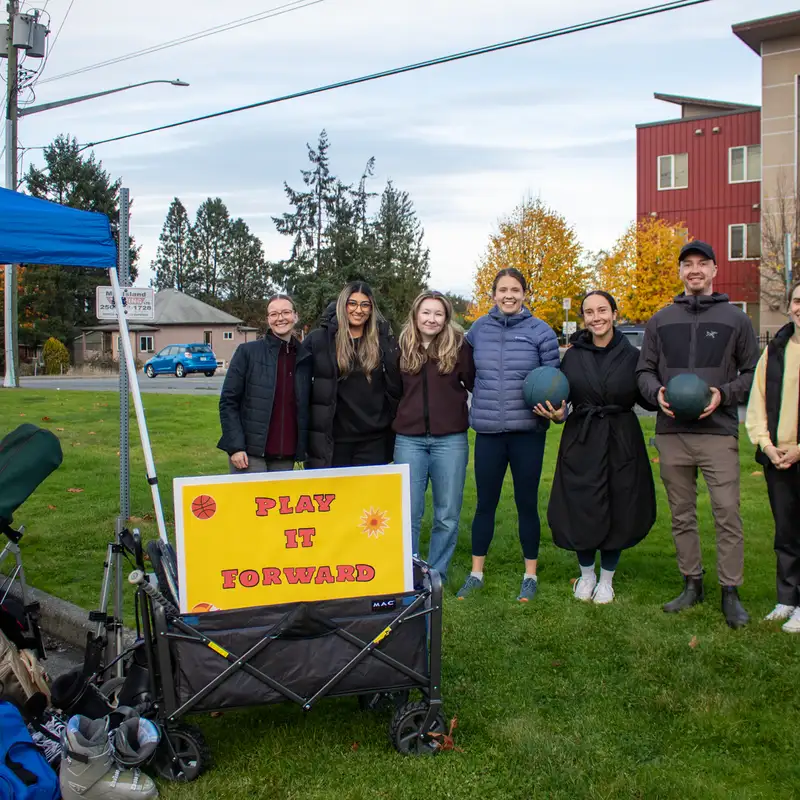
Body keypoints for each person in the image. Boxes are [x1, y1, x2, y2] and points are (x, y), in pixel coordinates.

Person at [636, 240, 760, 629]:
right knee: (682, 514)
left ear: (714, 270)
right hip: (673, 433)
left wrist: (724, 394)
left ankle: (731, 591)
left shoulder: (735, 319)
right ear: (680, 272)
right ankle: (692, 584)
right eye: (687, 264)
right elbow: (644, 372)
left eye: (702, 264)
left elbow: (752, 373)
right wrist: (655, 393)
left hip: (718, 432)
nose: (694, 270)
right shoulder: (660, 320)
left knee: (727, 512)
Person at [537, 291, 656, 603]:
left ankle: (607, 579)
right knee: (581, 505)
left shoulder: (633, 355)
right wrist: (559, 413)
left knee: (620, 504)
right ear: (584, 318)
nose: (596, 317)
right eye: (589, 312)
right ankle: (587, 575)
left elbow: (647, 396)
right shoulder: (574, 355)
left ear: (615, 314)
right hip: (583, 438)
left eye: (602, 310)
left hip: (621, 439)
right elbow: (563, 398)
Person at [456, 267, 560, 602]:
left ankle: (529, 575)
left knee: (526, 503)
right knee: (485, 504)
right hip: (488, 432)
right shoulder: (478, 331)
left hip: (528, 433)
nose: (509, 295)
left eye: (515, 289)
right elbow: (467, 373)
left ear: (525, 294)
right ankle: (476, 573)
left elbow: (554, 382)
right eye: (503, 290)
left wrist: (559, 411)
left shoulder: (541, 332)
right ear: (493, 294)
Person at [393, 291, 475, 583]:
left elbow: (476, 383)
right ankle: (410, 572)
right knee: (409, 514)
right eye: (426, 312)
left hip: (450, 441)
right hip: (409, 441)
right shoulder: (400, 346)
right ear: (416, 315)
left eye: (438, 314)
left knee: (447, 514)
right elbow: (391, 391)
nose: (431, 319)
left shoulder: (459, 347)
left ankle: (435, 574)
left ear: (446, 317)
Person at [745, 279, 800, 632]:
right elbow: (757, 403)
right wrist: (766, 445)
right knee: (786, 533)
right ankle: (787, 598)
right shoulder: (776, 349)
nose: (799, 307)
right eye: (796, 300)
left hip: (796, 452)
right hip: (777, 458)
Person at [305, 281, 401, 469]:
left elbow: (395, 387)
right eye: (353, 303)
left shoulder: (383, 342)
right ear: (343, 305)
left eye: (365, 305)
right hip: (334, 441)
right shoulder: (319, 340)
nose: (359, 310)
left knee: (370, 499)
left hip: (373, 440)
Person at [218, 294, 311, 472]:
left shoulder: (304, 357)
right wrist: (236, 447)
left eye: (285, 312)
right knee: (248, 500)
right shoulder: (247, 352)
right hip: (250, 455)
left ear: (295, 316)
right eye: (274, 314)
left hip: (285, 454)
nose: (280, 318)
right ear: (268, 319)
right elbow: (228, 402)